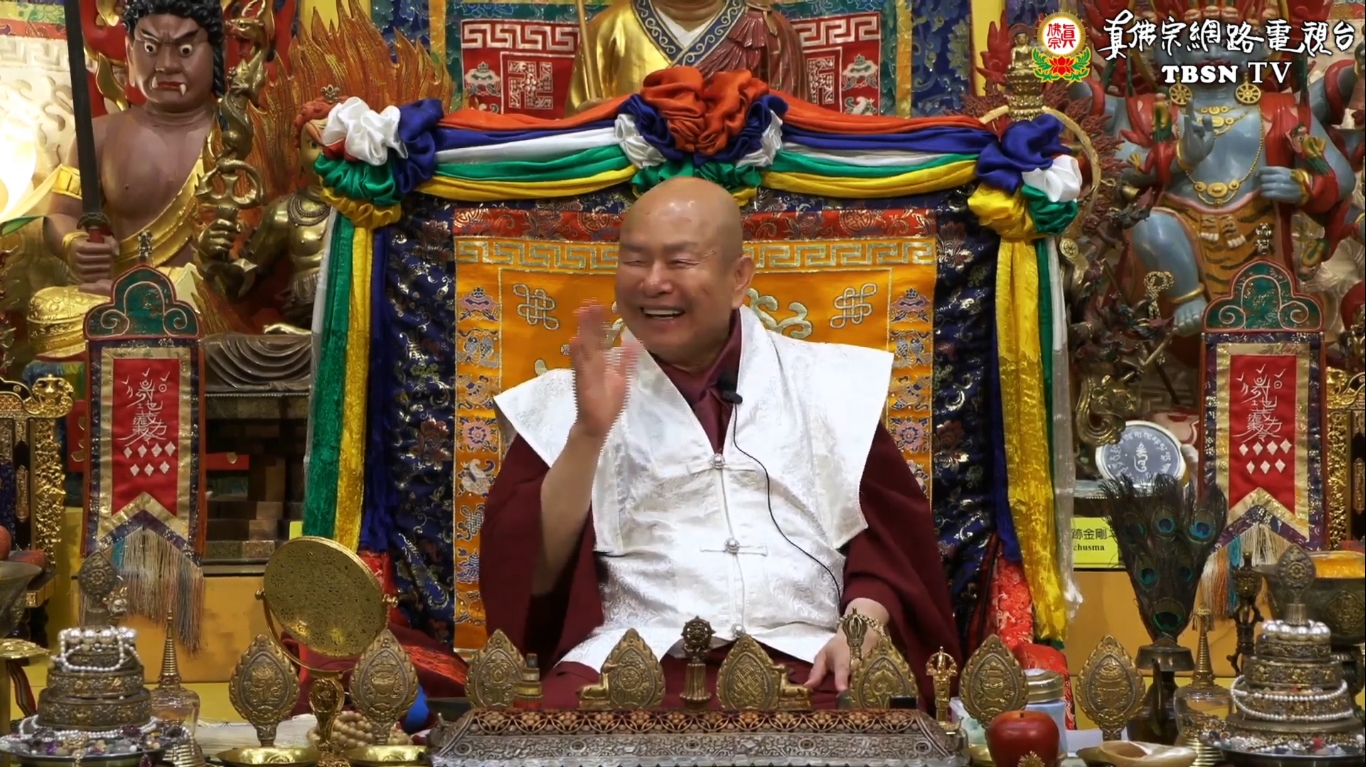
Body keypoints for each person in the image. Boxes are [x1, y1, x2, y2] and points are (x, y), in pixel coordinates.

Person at [480, 176, 958, 710]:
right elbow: (532, 577)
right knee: (548, 728)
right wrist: (587, 436)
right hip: (630, 664)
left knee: (876, 724)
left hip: (807, 656)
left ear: (738, 278)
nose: (653, 282)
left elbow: (887, 552)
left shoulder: (829, 385)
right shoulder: (564, 400)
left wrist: (861, 624)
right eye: (635, 260)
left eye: (680, 262)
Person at [565, 0, 807, 115]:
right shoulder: (609, 27)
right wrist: (595, 119)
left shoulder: (767, 28)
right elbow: (579, 135)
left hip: (744, 177)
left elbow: (795, 125)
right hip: (631, 181)